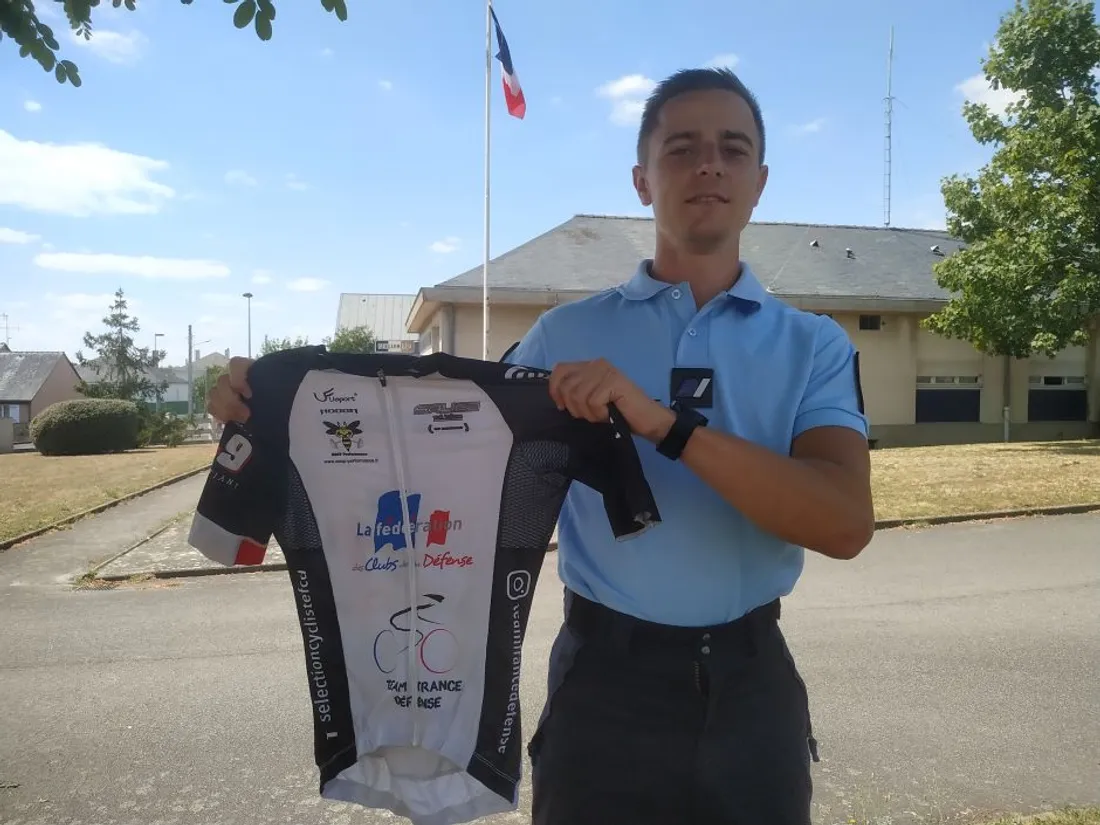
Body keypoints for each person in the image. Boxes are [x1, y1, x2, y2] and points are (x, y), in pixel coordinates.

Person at [206, 67, 874, 825]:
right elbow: (437, 444)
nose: (709, 164)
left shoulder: (814, 343)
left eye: (732, 147)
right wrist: (274, 404)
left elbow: (844, 522)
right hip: (603, 688)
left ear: (760, 181)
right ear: (642, 180)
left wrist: (661, 423)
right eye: (681, 147)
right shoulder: (564, 337)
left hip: (754, 693)